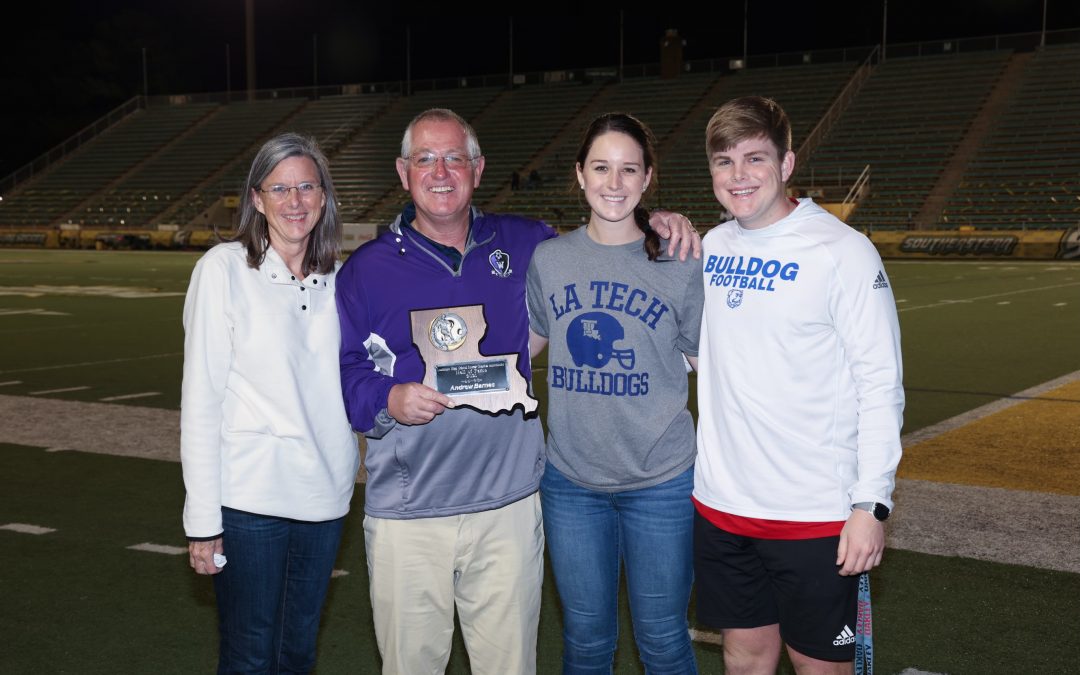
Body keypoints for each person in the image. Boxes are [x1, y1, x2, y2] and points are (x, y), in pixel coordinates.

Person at [335, 108, 700, 675]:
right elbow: (347, 370)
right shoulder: (364, 269)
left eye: (455, 157)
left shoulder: (528, 243)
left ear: (477, 169)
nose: (441, 171)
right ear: (403, 171)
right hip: (411, 509)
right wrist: (388, 400)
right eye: (425, 159)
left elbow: (608, 239)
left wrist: (663, 219)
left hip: (509, 504)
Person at [693, 96, 904, 674]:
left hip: (814, 513)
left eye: (754, 158)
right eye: (723, 161)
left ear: (786, 164)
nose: (738, 177)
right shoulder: (711, 248)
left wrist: (871, 503)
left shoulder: (842, 251)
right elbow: (699, 354)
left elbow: (880, 383)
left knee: (819, 666)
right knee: (744, 655)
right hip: (721, 506)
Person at [526, 113, 703, 674]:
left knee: (664, 641)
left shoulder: (679, 259)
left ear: (647, 178)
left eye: (629, 169)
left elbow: (712, 366)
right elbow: (521, 349)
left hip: (662, 483)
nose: (614, 182)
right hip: (571, 484)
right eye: (601, 167)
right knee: (584, 642)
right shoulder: (550, 260)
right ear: (580, 175)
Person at [180, 133, 360, 673]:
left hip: (325, 497)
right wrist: (202, 520)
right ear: (257, 199)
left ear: (324, 197)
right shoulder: (224, 269)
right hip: (250, 499)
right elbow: (201, 401)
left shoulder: (342, 279)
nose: (295, 200)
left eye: (307, 186)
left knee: (297, 651)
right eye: (280, 188)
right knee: (250, 654)